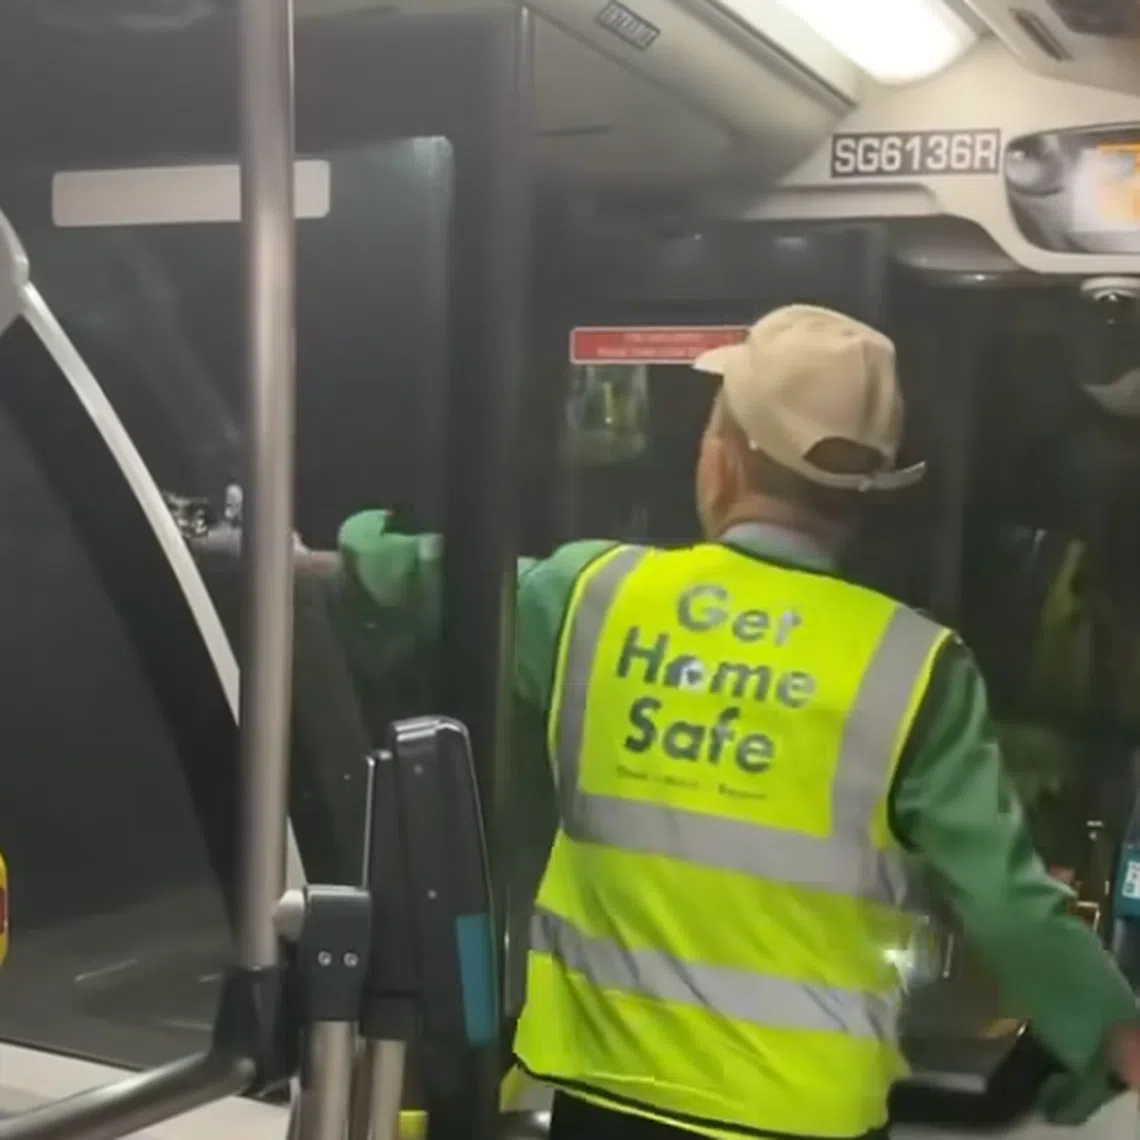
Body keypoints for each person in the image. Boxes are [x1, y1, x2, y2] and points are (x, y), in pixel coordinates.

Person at [312, 305, 1140, 1140]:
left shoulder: (591, 597)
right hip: (809, 1123)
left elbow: (415, 582)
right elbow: (1011, 908)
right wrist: (1114, 1042)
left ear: (725, 459)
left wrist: (338, 550)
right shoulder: (917, 668)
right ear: (863, 495)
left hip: (610, 1105)